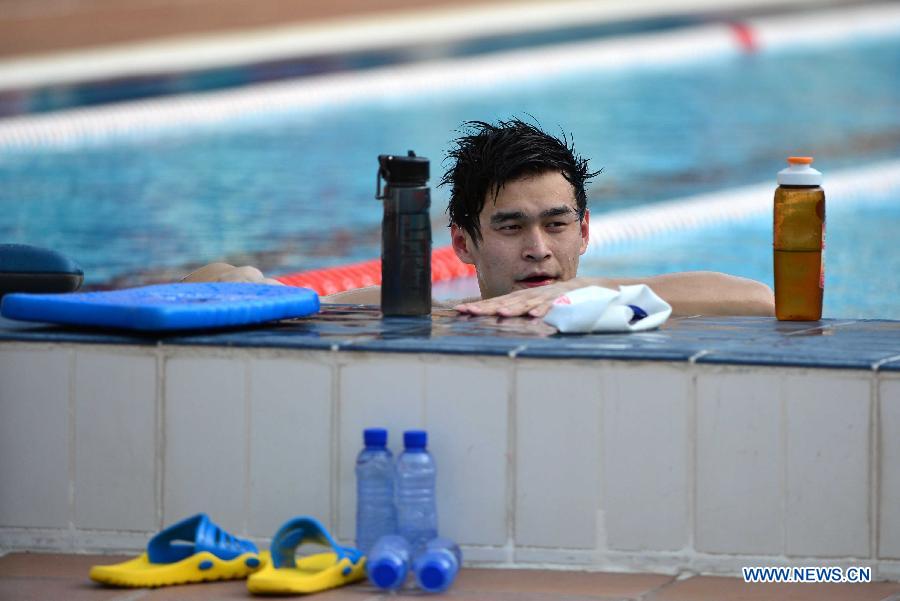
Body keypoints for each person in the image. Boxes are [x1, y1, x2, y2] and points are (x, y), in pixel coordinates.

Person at [184, 119, 774, 317]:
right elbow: (219, 281)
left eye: (557, 224)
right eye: (511, 227)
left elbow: (759, 299)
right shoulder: (435, 317)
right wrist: (244, 283)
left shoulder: (615, 303)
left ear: (586, 231)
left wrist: (595, 291)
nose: (539, 248)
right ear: (463, 243)